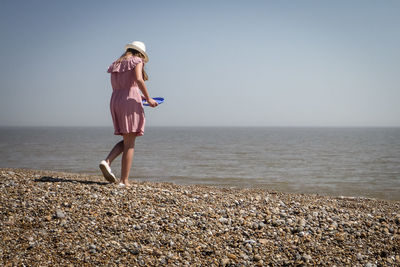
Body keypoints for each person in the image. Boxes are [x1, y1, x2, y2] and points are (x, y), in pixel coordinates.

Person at [99, 41, 158, 187]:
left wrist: (141, 97)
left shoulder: (116, 64)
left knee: (127, 139)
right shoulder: (137, 60)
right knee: (130, 143)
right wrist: (149, 98)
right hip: (129, 102)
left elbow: (122, 87)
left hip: (115, 100)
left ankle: (107, 162)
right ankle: (124, 181)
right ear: (140, 53)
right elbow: (138, 79)